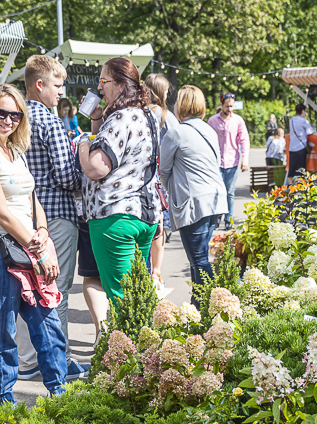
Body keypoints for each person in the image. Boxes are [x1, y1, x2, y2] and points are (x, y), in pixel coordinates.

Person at [0, 84, 68, 405]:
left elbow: (31, 198)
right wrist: (37, 248)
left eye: (15, 114)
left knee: (47, 322)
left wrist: (42, 230)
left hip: (29, 245)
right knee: (4, 328)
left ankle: (60, 392)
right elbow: (1, 212)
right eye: (1, 113)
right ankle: (5, 400)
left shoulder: (16, 150)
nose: (9, 120)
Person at [22, 55, 90, 380]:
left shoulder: (13, 114)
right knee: (56, 289)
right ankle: (58, 361)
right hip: (56, 215)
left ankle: (28, 360)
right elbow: (66, 175)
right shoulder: (49, 121)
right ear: (40, 84)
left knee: (29, 287)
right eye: (58, 86)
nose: (61, 93)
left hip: (23, 214)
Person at [78, 56, 160, 307]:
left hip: (115, 216)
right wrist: (96, 119)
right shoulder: (146, 115)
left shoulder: (121, 118)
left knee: (123, 300)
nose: (100, 88)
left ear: (121, 84)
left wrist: (83, 143)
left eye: (104, 81)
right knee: (137, 294)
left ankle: (127, 346)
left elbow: (95, 167)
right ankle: (142, 344)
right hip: (143, 215)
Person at [159, 85, 228, 298]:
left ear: (184, 104)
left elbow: (163, 170)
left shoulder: (176, 132)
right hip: (215, 200)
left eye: (178, 100)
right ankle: (198, 306)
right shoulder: (209, 130)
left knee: (198, 259)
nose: (175, 104)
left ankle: (216, 304)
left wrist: (172, 190)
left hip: (193, 203)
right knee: (199, 258)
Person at [143, 73, 178, 289]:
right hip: (158, 177)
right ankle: (156, 273)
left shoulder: (140, 112)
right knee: (158, 226)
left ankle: (149, 272)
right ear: (160, 91)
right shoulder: (163, 114)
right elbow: (176, 139)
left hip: (142, 175)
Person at [207, 92, 249, 229]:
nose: (229, 109)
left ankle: (228, 219)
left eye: (231, 106)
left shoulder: (238, 120)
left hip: (232, 161)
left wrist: (245, 159)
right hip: (216, 162)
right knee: (217, 191)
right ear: (221, 104)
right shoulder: (212, 121)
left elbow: (244, 140)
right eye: (227, 106)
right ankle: (217, 216)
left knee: (230, 192)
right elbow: (207, 140)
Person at [287, 102, 315, 182]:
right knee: (300, 172)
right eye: (305, 111)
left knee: (291, 172)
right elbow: (311, 131)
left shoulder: (291, 120)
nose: (305, 113)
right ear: (302, 111)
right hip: (301, 148)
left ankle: (290, 188)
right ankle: (299, 189)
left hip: (292, 148)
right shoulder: (303, 121)